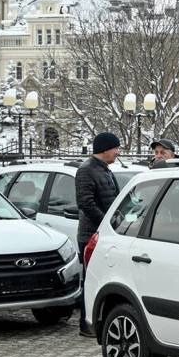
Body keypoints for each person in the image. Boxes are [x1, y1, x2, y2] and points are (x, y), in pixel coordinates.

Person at [76, 132, 121, 337]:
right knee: (91, 278)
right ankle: (86, 323)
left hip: (106, 232)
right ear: (105, 149)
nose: (118, 152)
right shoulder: (86, 170)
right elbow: (86, 203)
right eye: (115, 148)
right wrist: (105, 222)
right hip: (91, 234)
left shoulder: (106, 171)